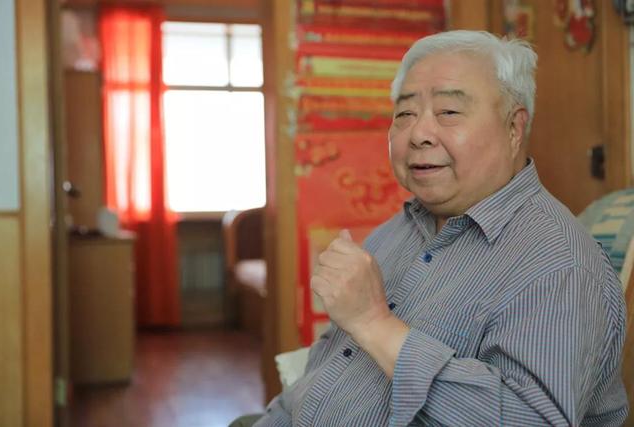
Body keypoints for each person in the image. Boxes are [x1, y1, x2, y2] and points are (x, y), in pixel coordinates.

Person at [246, 30, 629, 426]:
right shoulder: (396, 231)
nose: (418, 134)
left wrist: (375, 323)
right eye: (405, 114)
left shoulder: (558, 263)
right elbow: (326, 371)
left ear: (514, 129)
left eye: (448, 112)